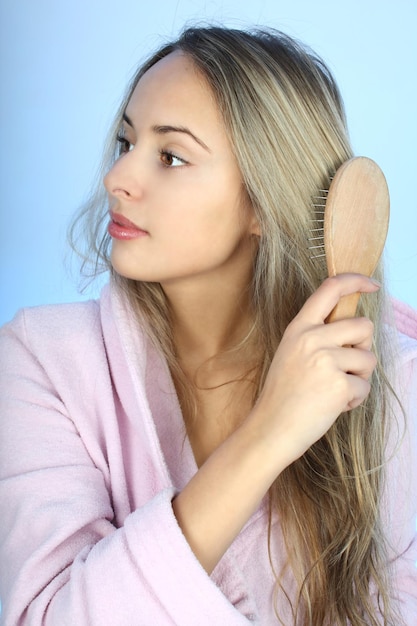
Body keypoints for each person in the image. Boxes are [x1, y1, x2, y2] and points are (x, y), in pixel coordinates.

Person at [0, 25, 416, 626]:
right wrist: (269, 433)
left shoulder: (390, 383)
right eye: (126, 143)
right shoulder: (42, 364)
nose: (118, 179)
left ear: (264, 202)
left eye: (170, 156)